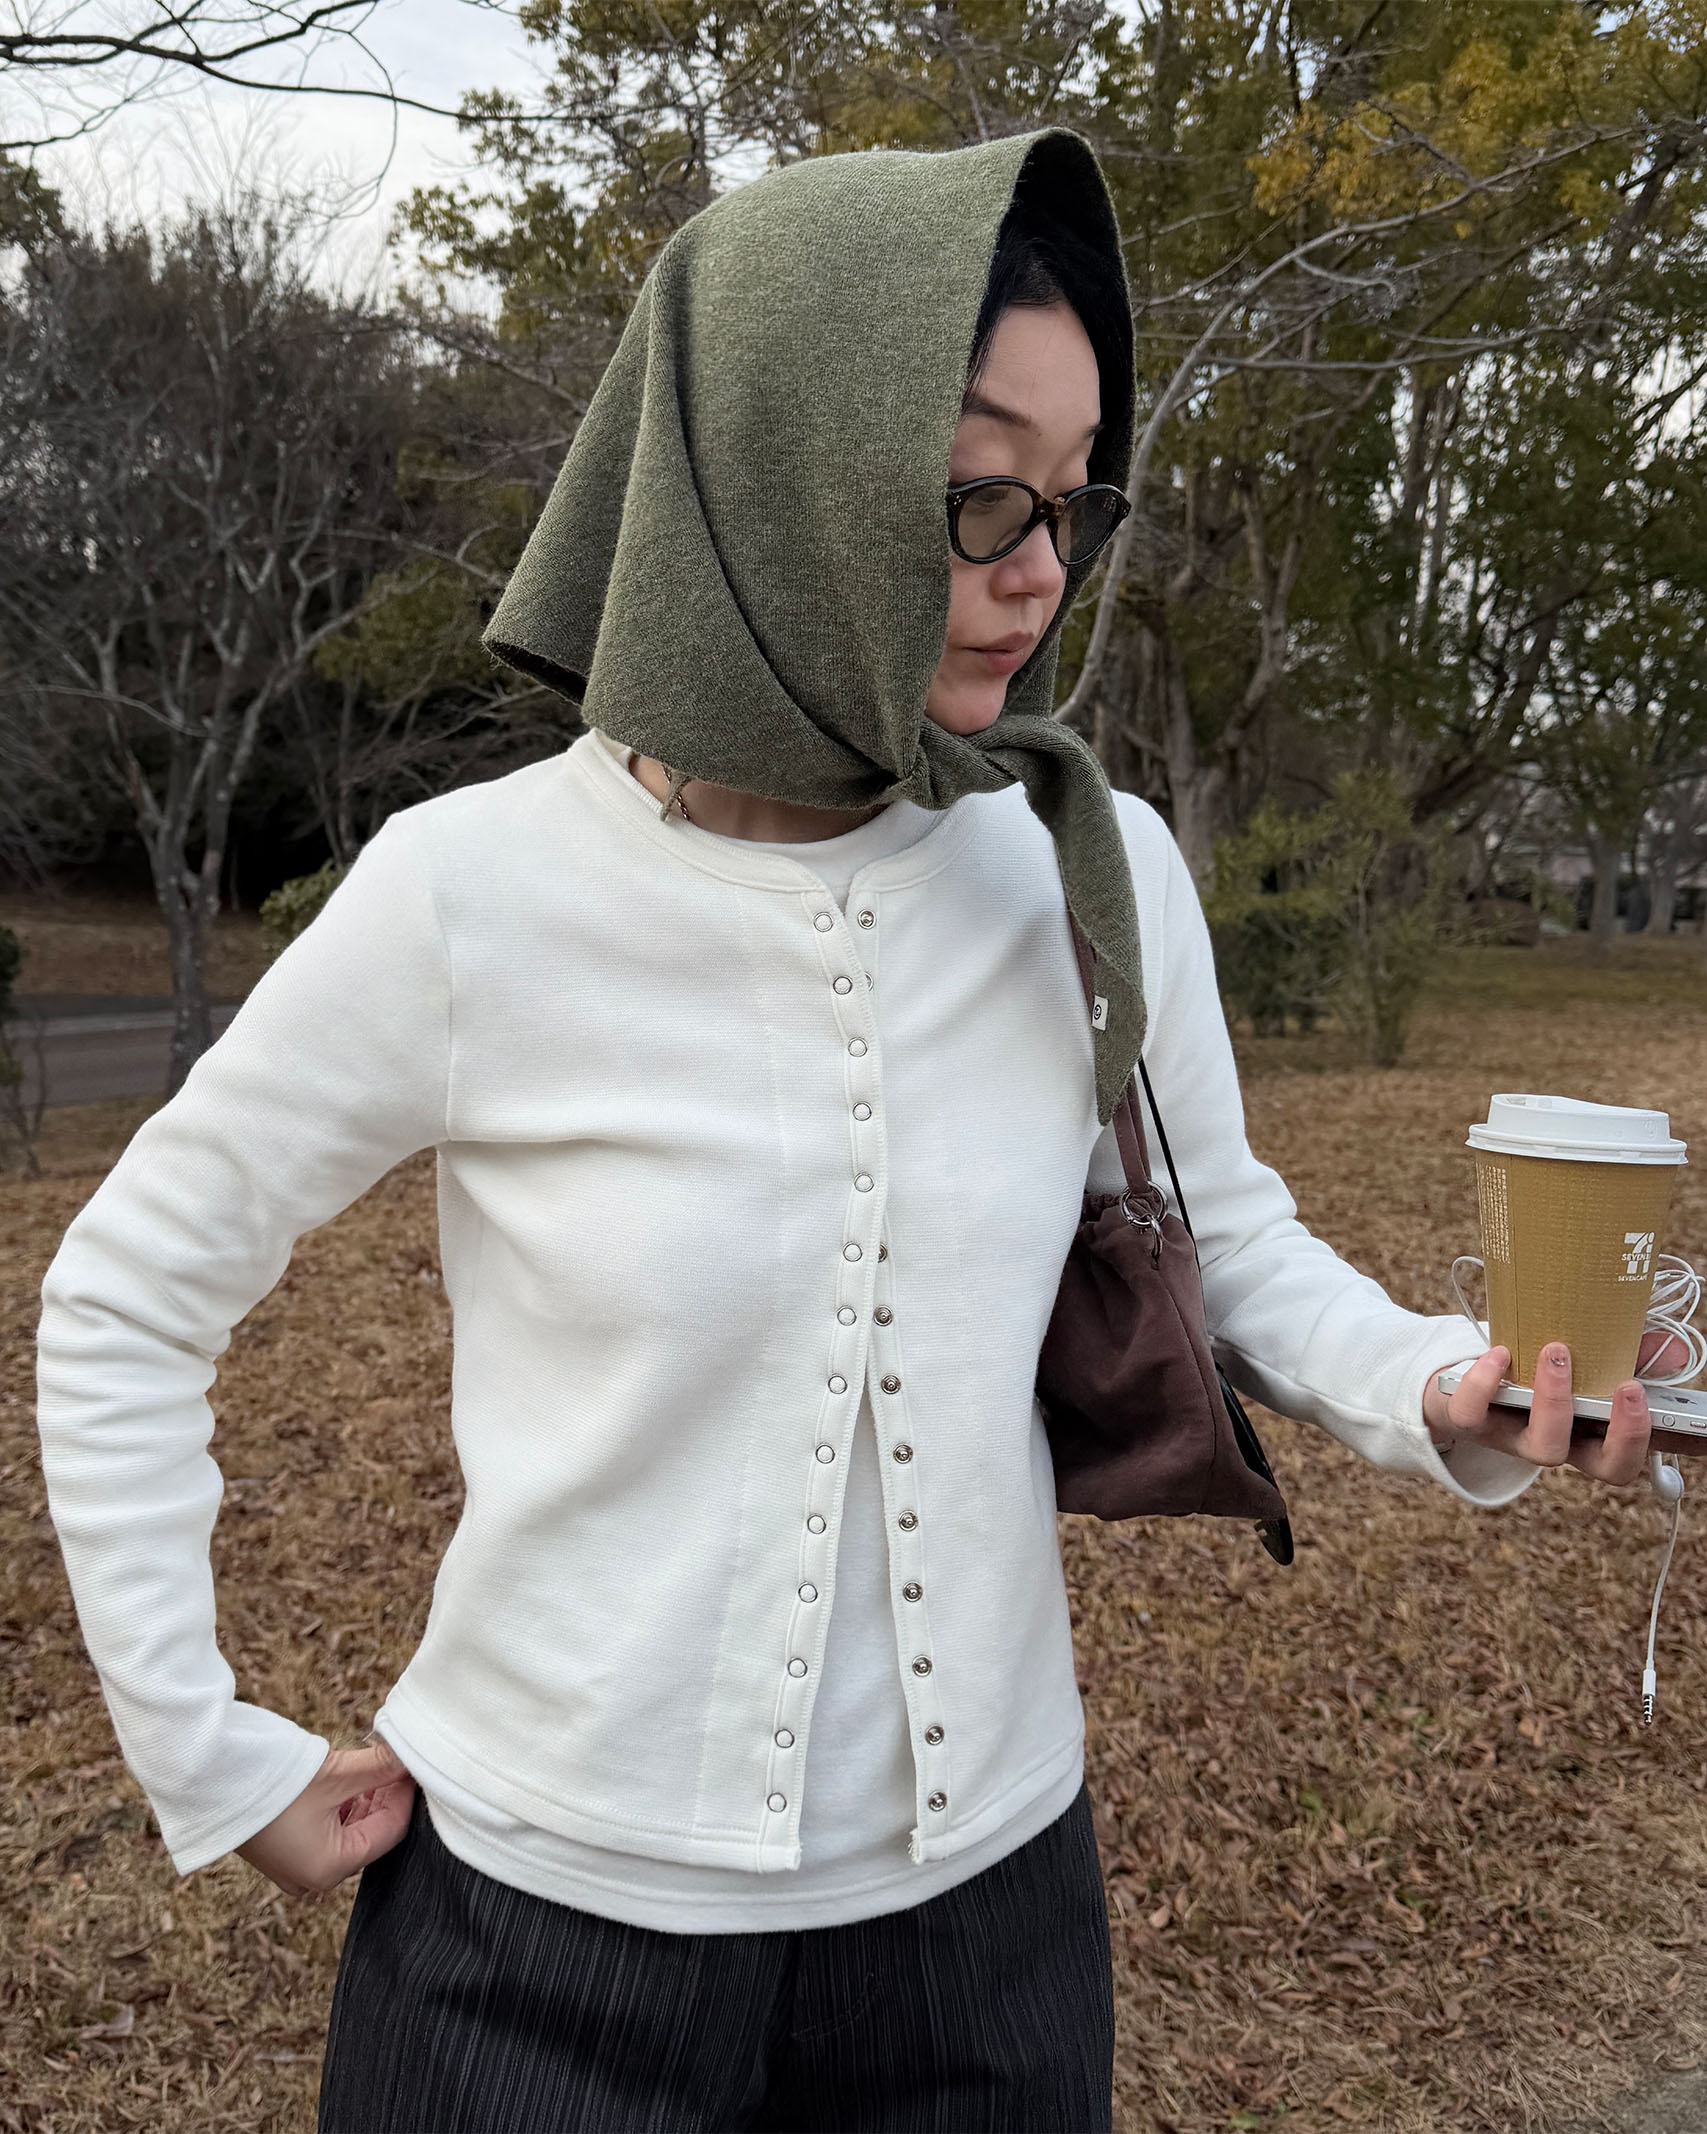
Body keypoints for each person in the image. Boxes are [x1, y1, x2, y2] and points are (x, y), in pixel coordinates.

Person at [35, 128, 1658, 2134]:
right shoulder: (470, 895)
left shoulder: (1087, 866)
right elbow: (128, 1294)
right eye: (979, 492)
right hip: (535, 1951)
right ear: (783, 469)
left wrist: (1440, 1383)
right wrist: (209, 1751)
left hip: (988, 1952)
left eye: (1072, 499)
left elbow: (1221, 1235)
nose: (1038, 572)